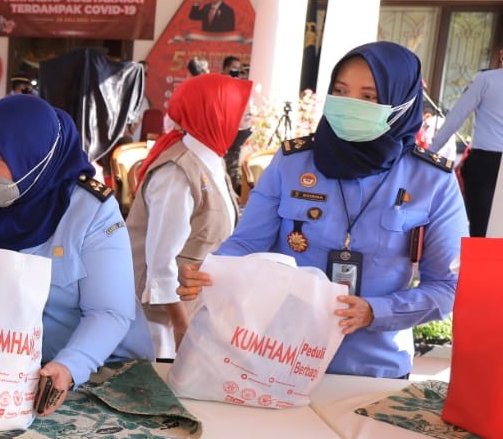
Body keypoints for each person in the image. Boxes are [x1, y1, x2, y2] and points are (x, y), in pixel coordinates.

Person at [179, 41, 467, 379]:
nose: (349, 105)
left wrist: (377, 311)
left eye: (369, 97)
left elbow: (447, 286)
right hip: (276, 355)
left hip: (374, 368)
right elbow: (247, 244)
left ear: (401, 103)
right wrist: (212, 271)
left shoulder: (432, 181)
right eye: (341, 91)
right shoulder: (293, 162)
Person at [0, 95, 152, 410]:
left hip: (101, 370)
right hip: (1, 371)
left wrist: (69, 367)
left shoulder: (90, 210)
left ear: (34, 160)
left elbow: (109, 312)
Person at [127, 74, 251, 359]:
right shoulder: (177, 173)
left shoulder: (213, 162)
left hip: (194, 309)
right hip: (164, 324)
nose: (247, 119)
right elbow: (160, 262)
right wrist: (183, 327)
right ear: (214, 113)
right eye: (240, 110)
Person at [429, 45, 503, 236]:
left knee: (480, 230)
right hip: (486, 163)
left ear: (501, 54)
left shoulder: (486, 80)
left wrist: (430, 152)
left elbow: (456, 117)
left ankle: (481, 266)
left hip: (486, 164)